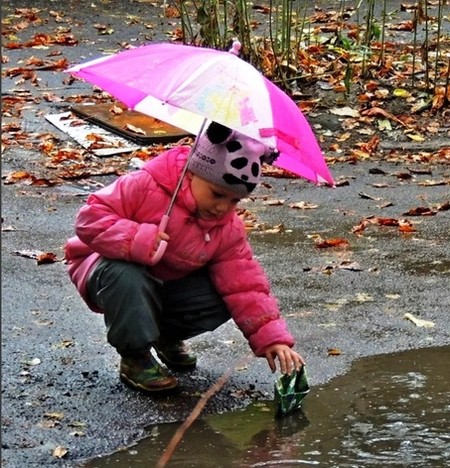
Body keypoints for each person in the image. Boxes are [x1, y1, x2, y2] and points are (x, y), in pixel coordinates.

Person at [64, 121, 305, 394]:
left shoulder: (227, 228)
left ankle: (165, 336)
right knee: (128, 275)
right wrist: (137, 238)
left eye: (234, 201)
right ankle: (135, 356)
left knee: (224, 292)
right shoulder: (145, 185)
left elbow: (245, 284)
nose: (222, 207)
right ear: (192, 174)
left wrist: (271, 338)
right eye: (217, 194)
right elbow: (89, 219)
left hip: (165, 288)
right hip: (107, 271)